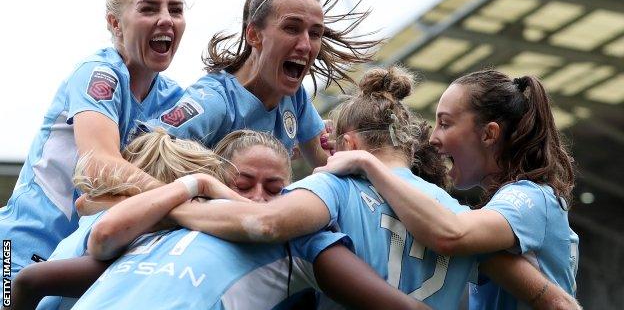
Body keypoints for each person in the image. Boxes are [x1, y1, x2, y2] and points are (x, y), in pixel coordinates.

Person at [113, 66, 578, 309]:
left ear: (349, 144)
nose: (435, 137)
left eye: (445, 123)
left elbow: (264, 221)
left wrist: (176, 200)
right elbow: (545, 295)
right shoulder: (451, 210)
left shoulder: (332, 189)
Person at [12, 130, 425, 310]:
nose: (257, 199)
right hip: (11, 252)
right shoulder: (150, 227)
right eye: (242, 184)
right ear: (219, 180)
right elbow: (27, 280)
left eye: (275, 189)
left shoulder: (299, 235)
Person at [314, 69, 580, 309]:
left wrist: (367, 161)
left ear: (488, 134)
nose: (433, 138)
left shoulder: (531, 198)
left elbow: (451, 233)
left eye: (445, 123)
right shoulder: (509, 210)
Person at [0, 0, 191, 278]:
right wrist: (184, 200)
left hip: (82, 263)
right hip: (17, 254)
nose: (166, 20)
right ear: (115, 23)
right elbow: (98, 164)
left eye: (176, 9)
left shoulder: (174, 98)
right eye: (148, 9)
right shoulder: (99, 73)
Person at [150, 0, 379, 168]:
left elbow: (328, 162)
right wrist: (202, 186)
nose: (306, 45)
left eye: (315, 33)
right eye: (291, 28)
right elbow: (145, 154)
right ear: (254, 35)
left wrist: (355, 154)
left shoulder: (295, 99)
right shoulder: (215, 103)